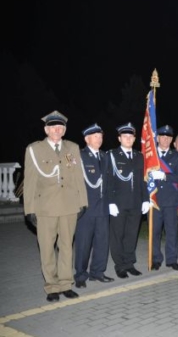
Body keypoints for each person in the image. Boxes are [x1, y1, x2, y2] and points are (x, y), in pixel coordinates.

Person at [24, 110, 88, 302]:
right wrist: (29, 209)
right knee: (46, 248)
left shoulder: (72, 147)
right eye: (53, 127)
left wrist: (83, 202)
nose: (57, 130)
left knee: (67, 247)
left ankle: (66, 284)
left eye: (60, 127)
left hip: (69, 206)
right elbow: (30, 181)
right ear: (46, 129)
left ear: (64, 130)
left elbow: (78, 177)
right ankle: (51, 286)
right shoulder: (34, 149)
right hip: (46, 208)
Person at [106, 122, 150, 279]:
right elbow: (108, 180)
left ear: (134, 138)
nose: (128, 139)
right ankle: (120, 265)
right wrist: (110, 202)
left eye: (131, 137)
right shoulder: (111, 155)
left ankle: (130, 263)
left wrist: (145, 199)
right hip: (118, 204)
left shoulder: (139, 156)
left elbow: (142, 180)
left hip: (135, 203)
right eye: (125, 137)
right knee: (117, 235)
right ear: (119, 138)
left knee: (132, 234)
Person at [74, 123, 114, 289]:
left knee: (102, 242)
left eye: (101, 136)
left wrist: (112, 203)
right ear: (86, 139)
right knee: (83, 243)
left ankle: (97, 272)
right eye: (95, 136)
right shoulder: (79, 156)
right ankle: (81, 275)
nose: (99, 139)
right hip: (86, 208)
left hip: (103, 208)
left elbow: (110, 182)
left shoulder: (105, 157)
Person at [148, 125, 178, 271]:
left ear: (171, 140)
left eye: (168, 137)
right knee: (155, 231)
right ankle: (156, 259)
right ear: (157, 138)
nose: (165, 139)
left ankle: (172, 259)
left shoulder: (176, 156)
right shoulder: (150, 156)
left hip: (171, 200)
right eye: (162, 137)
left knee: (171, 231)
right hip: (154, 200)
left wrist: (165, 176)